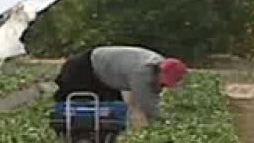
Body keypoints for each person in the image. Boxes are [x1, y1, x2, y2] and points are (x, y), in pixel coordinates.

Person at [53, 46, 188, 128]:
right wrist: (164, 122)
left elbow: (154, 92)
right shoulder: (142, 72)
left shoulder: (157, 65)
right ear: (161, 71)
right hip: (83, 68)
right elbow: (147, 104)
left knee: (111, 117)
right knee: (74, 108)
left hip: (104, 77)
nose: (163, 85)